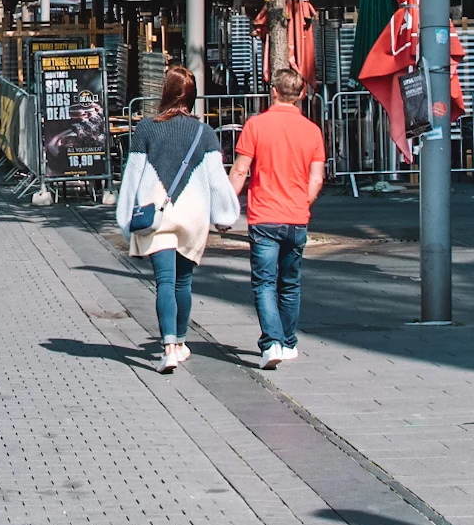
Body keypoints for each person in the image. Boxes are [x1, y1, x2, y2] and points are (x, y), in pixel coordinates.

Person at [116, 66, 239, 373]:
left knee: (165, 283)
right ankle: (181, 343)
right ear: (192, 96)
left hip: (156, 214)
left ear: (164, 92)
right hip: (192, 214)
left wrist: (124, 219)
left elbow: (132, 177)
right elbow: (215, 179)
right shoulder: (205, 133)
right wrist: (225, 214)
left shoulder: (146, 129)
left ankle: (169, 347)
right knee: (183, 281)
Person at [229, 68, 326, 369]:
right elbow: (317, 178)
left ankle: (272, 342)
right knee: (290, 283)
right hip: (297, 216)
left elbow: (241, 170)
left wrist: (226, 205)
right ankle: (288, 341)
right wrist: (303, 202)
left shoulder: (256, 125)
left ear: (273, 91)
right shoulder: (312, 131)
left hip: (264, 215)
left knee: (264, 283)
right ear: (301, 95)